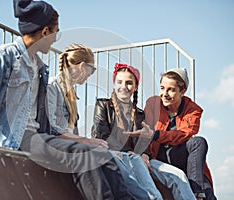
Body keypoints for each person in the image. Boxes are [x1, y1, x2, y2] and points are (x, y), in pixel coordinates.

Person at [0, 1, 133, 199]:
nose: (56, 39)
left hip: (37, 136)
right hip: (16, 138)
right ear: (45, 32)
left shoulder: (40, 68)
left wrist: (85, 141)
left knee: (102, 156)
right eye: (56, 33)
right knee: (83, 156)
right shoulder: (6, 57)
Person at [46, 47, 157, 199]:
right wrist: (86, 141)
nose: (91, 75)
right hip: (70, 146)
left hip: (111, 152)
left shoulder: (71, 93)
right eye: (92, 70)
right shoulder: (52, 87)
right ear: (81, 66)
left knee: (136, 159)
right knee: (110, 160)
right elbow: (53, 129)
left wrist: (142, 153)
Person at [92, 63, 196, 200]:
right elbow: (101, 135)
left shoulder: (140, 114)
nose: (123, 86)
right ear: (114, 83)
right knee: (150, 191)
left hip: (138, 157)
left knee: (178, 175)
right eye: (119, 82)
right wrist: (125, 152)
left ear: (135, 87)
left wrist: (146, 154)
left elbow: (144, 141)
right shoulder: (103, 105)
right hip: (117, 154)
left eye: (129, 83)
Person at [128, 68, 217, 200]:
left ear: (183, 91)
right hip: (160, 156)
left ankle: (196, 191)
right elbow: (146, 132)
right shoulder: (153, 104)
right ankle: (197, 191)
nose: (164, 93)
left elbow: (182, 135)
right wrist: (145, 150)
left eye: (171, 89)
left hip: (183, 158)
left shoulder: (193, 110)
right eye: (162, 88)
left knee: (199, 142)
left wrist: (156, 134)